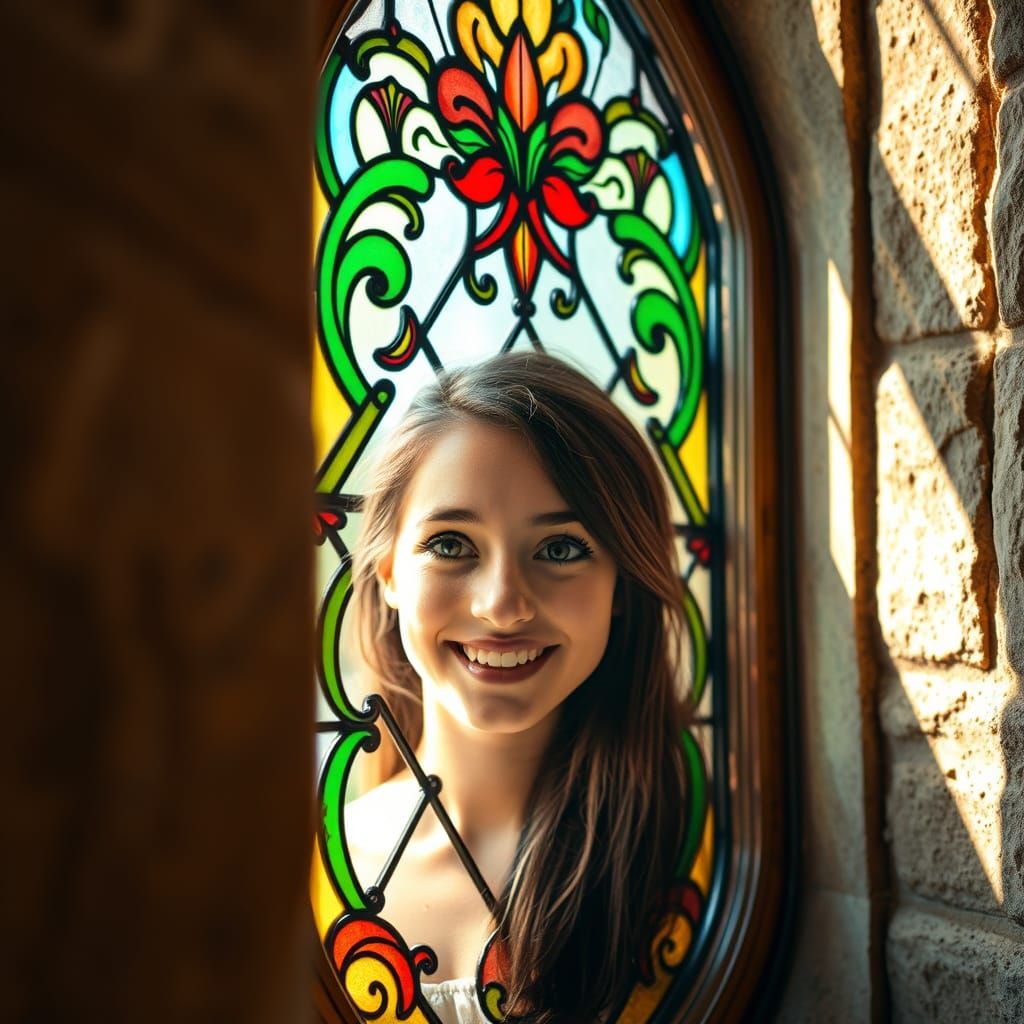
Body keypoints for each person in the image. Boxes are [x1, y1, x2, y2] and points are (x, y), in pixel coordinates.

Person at [344, 351, 690, 1023]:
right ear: (388, 574)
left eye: (560, 549)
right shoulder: (309, 872)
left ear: (622, 586)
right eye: (452, 544)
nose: (502, 607)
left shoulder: (702, 860)